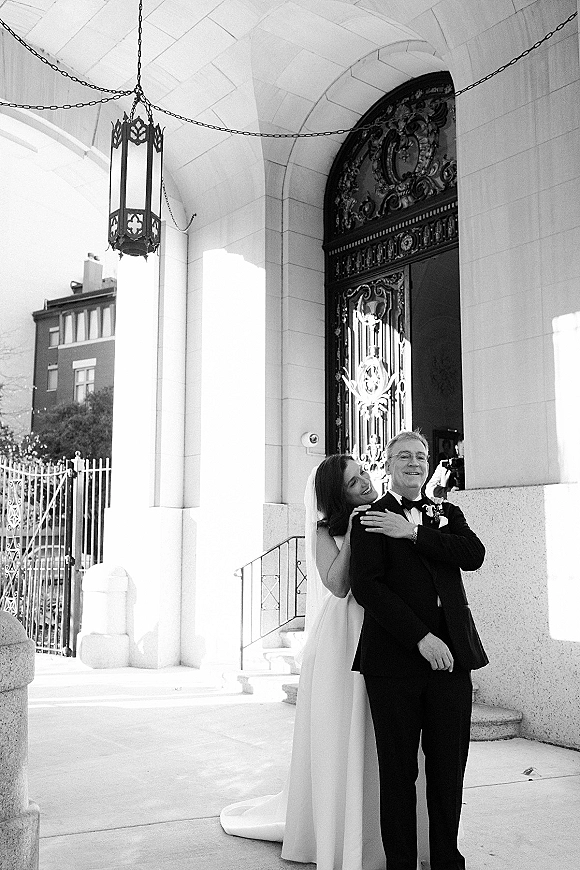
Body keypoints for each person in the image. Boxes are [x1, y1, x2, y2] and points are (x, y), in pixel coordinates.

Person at [220, 454, 429, 870]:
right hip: (343, 639)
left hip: (392, 630)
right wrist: (352, 533)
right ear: (339, 495)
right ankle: (346, 836)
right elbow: (336, 584)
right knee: (348, 734)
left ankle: (399, 836)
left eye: (364, 474)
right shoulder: (324, 530)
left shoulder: (392, 510)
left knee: (392, 738)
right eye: (354, 483)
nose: (365, 483)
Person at [349, 430, 488, 870]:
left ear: (429, 466)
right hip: (393, 663)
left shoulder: (448, 513)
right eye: (403, 456)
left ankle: (448, 861)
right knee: (398, 774)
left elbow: (473, 555)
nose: (414, 462)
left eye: (422, 456)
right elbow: (368, 587)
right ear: (387, 465)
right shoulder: (369, 518)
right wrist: (421, 639)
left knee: (449, 772)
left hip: (454, 661)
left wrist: (412, 533)